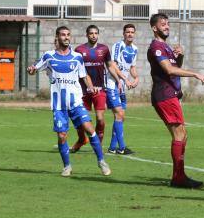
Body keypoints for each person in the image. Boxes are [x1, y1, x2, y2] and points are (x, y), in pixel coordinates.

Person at [27, 26, 110, 178]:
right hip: (58, 105)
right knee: (62, 136)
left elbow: (84, 76)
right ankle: (67, 166)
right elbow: (34, 68)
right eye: (63, 35)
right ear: (57, 37)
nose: (66, 37)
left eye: (68, 35)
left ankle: (101, 161)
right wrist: (31, 69)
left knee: (90, 130)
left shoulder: (77, 57)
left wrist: (91, 88)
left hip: (76, 102)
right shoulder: (49, 56)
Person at [147, 13, 204, 188]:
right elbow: (169, 70)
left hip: (170, 95)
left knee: (182, 134)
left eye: (168, 24)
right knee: (179, 134)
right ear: (155, 28)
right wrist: (196, 74)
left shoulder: (166, 47)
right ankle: (178, 178)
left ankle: (179, 175)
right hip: (165, 95)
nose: (167, 26)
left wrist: (180, 56)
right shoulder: (157, 48)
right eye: (163, 24)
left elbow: (175, 66)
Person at [71, 25, 124, 153]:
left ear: (98, 35)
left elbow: (110, 66)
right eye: (91, 33)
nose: (93, 35)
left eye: (96, 33)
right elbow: (76, 69)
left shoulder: (104, 49)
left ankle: (98, 144)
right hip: (83, 90)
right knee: (81, 120)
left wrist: (118, 80)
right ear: (87, 35)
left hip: (100, 89)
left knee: (100, 118)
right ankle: (81, 139)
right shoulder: (79, 50)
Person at [107, 23, 140, 155]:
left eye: (132, 32)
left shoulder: (135, 49)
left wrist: (136, 78)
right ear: (123, 33)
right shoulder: (118, 46)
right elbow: (113, 65)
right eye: (127, 32)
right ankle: (122, 148)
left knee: (120, 116)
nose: (130, 34)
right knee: (119, 115)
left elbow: (132, 68)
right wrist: (124, 79)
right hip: (112, 84)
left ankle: (112, 147)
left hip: (121, 87)